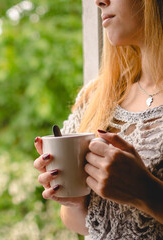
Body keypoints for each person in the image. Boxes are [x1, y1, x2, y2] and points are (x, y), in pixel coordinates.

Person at [33, 0, 163, 239]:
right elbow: (88, 226)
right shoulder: (98, 97)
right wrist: (74, 198)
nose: (99, 1)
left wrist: (147, 192)